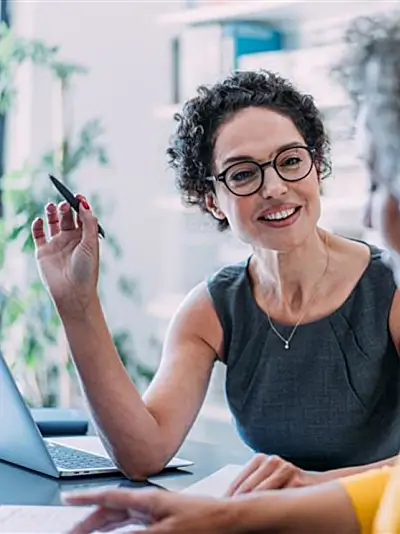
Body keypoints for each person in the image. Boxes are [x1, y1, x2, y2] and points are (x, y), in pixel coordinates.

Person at [61, 11, 400, 534]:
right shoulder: (212, 308)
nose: (274, 187)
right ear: (211, 200)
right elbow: (142, 452)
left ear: (317, 166)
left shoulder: (390, 287)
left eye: (291, 161)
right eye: (244, 174)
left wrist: (321, 488)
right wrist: (77, 304)